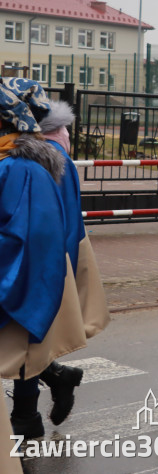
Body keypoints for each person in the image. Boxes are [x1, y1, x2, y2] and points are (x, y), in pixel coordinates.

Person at [1, 81, 110, 437]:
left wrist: (52, 273)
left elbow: (44, 228)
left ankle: (25, 417)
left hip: (38, 266)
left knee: (26, 339)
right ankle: (53, 385)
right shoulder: (24, 158)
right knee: (22, 342)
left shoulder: (30, 163)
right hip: (39, 264)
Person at [0, 80, 70, 440]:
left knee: (19, 348)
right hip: (15, 278)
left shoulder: (18, 169)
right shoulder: (13, 164)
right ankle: (26, 416)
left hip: (13, 281)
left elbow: (24, 237)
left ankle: (25, 418)